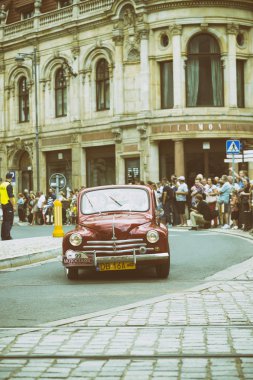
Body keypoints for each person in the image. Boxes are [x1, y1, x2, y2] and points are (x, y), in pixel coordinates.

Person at [0, 172, 16, 240]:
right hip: (9, 205)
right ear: (11, 178)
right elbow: (11, 197)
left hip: (3, 204)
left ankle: (3, 235)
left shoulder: (2, 185)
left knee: (4, 221)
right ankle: (7, 236)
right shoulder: (9, 185)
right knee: (9, 221)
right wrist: (14, 206)